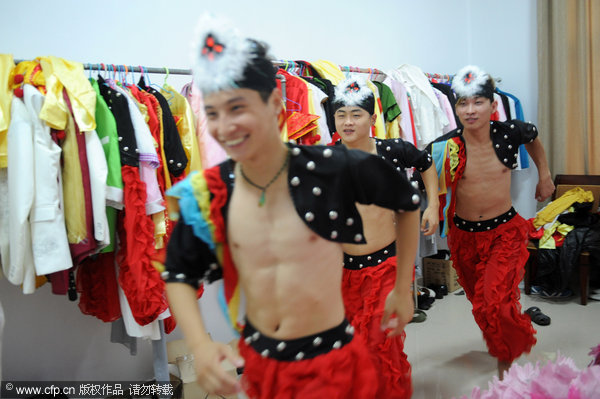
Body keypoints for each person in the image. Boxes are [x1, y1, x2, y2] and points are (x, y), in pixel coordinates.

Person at [162, 16, 422, 399]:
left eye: (237, 108)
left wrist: (402, 288)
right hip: (263, 365)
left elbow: (407, 202)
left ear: (274, 105)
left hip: (333, 359)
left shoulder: (330, 167)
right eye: (213, 113)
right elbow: (179, 272)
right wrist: (200, 345)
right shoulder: (212, 191)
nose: (224, 126)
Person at [426, 65, 555, 379]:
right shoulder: (448, 145)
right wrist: (431, 204)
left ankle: (507, 352)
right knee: (481, 303)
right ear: (455, 107)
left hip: (504, 232)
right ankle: (509, 327)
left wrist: (545, 175)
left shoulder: (510, 133)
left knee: (494, 302)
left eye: (478, 102)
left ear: (492, 105)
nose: (470, 110)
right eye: (463, 103)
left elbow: (534, 138)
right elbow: (424, 164)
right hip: (464, 236)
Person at [331, 76, 439, 399]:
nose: (348, 122)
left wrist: (432, 204)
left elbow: (426, 162)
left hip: (385, 270)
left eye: (356, 114)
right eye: (341, 115)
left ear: (373, 118)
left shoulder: (392, 152)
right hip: (345, 275)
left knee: (381, 350)